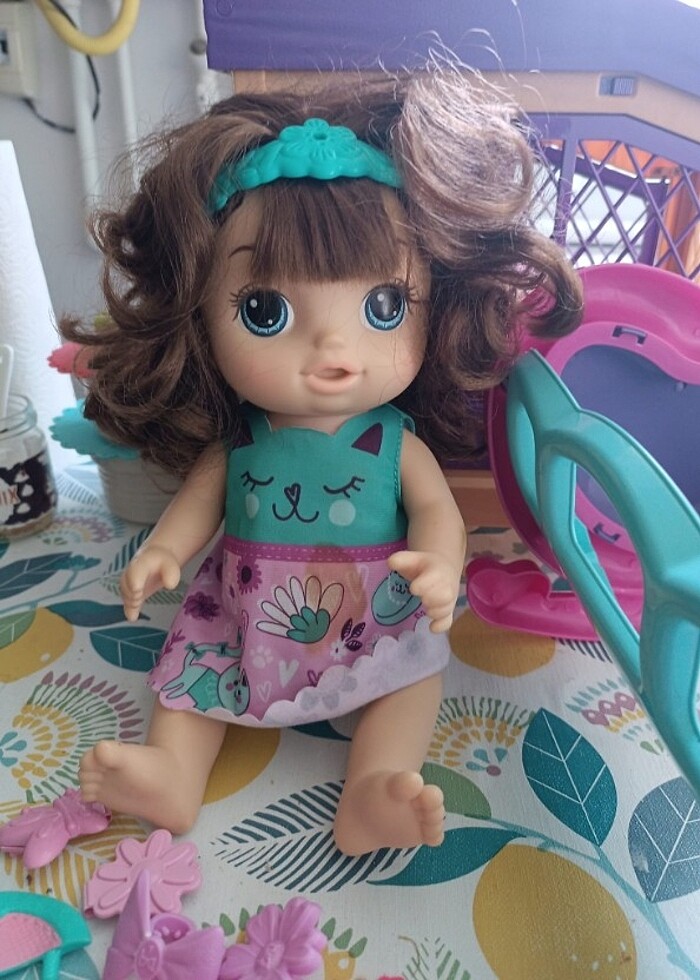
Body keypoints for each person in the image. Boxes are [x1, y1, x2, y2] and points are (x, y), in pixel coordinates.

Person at [64, 67, 582, 856]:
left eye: (384, 307)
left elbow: (437, 511)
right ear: (199, 315)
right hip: (244, 613)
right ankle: (172, 772)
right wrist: (165, 550)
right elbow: (199, 502)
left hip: (372, 617)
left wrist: (440, 565)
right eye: (265, 311)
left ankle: (374, 786)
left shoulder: (395, 444)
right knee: (190, 674)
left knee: (414, 678)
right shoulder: (239, 442)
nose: (334, 351)